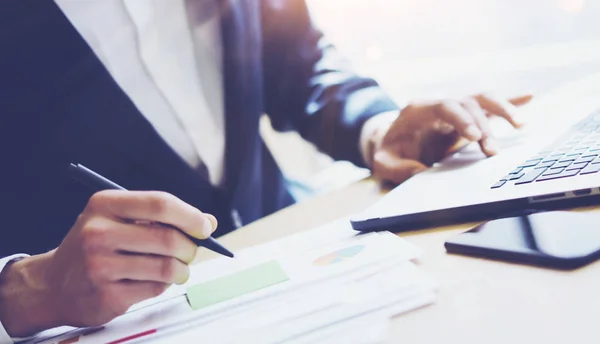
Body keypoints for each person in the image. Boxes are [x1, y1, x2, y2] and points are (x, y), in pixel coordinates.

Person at [0, 0, 531, 341]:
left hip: (297, 268)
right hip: (100, 326)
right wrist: (25, 288)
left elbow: (294, 56)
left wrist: (377, 126)